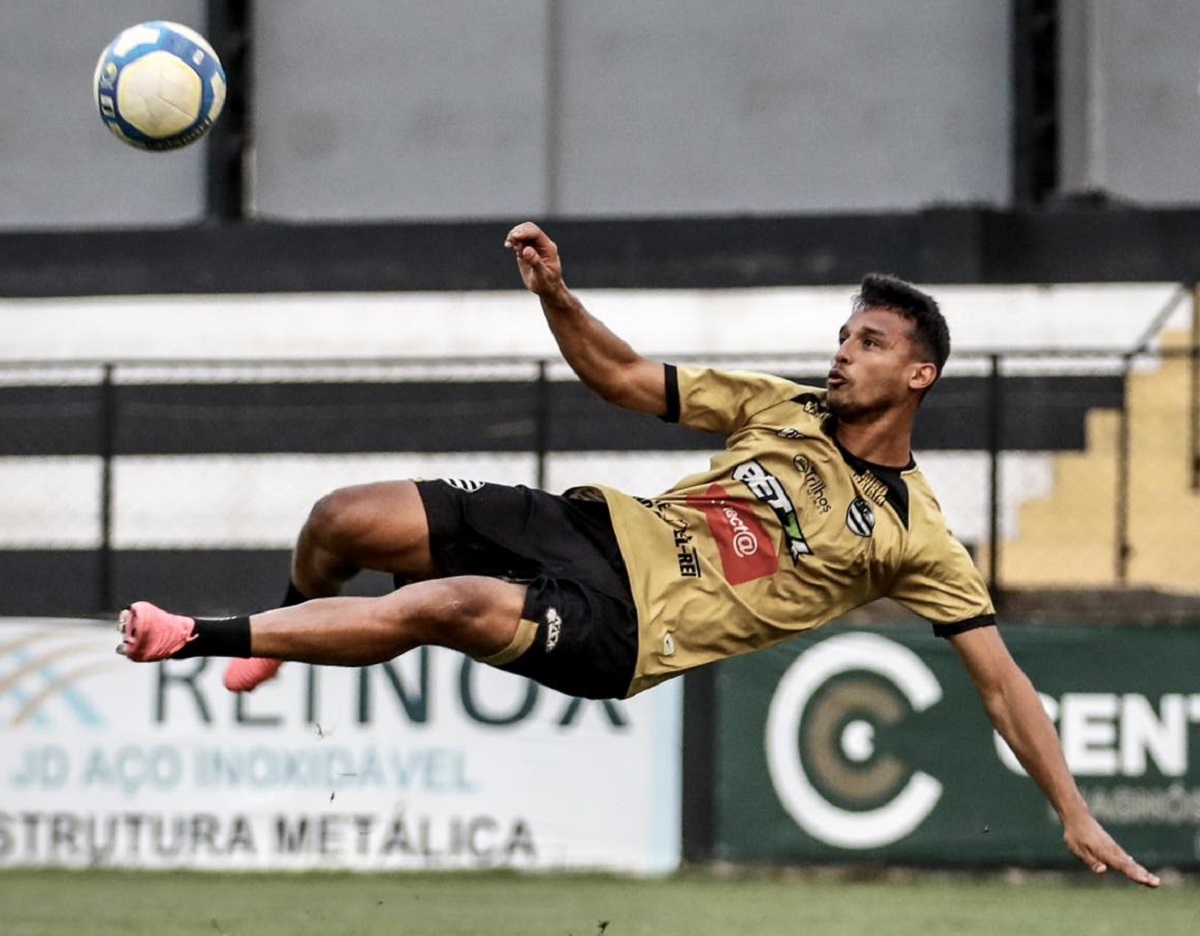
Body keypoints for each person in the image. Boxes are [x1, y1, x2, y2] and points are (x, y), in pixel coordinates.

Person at [118, 221, 1160, 888]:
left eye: (869, 343)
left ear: (921, 375)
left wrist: (1073, 810)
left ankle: (198, 638)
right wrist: (556, 296)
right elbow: (620, 377)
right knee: (344, 516)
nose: (843, 351)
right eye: (844, 336)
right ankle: (278, 630)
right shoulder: (780, 405)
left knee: (448, 606)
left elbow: (1004, 683)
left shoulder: (915, 534)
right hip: (589, 527)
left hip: (626, 631)